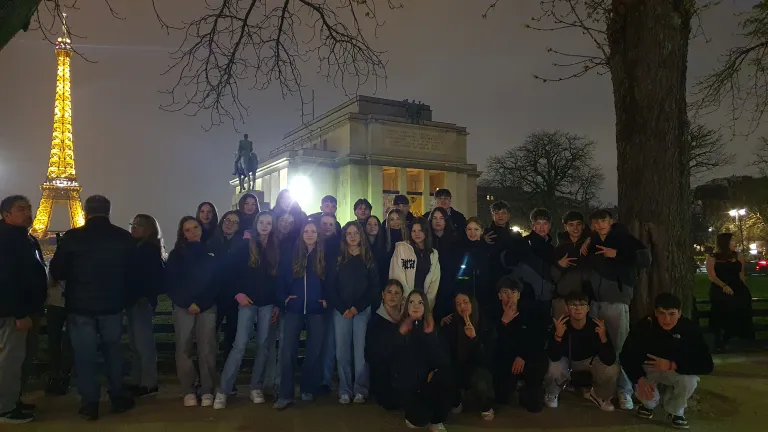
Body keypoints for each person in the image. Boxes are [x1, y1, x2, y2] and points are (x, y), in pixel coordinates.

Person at [49, 195, 136, 420]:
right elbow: (132, 273)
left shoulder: (72, 238)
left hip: (80, 306)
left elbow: (57, 271)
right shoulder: (123, 237)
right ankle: (117, 396)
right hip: (113, 305)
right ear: (109, 210)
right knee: (113, 352)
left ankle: (90, 403)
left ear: (85, 210)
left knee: (85, 356)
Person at [582, 208, 651, 411]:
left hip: (617, 301)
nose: (600, 225)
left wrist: (618, 254)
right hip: (595, 302)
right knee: (597, 347)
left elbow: (645, 259)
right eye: (596, 222)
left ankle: (625, 390)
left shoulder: (624, 239)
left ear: (610, 221)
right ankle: (603, 389)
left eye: (603, 221)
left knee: (620, 348)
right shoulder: (593, 240)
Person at [215, 212, 281, 409]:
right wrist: (237, 294)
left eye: (269, 223)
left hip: (268, 304)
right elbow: (228, 272)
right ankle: (223, 389)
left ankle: (255, 386)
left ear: (272, 226)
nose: (265, 225)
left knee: (263, 346)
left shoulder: (275, 248)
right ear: (256, 224)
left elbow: (278, 279)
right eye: (261, 222)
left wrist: (277, 303)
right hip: (247, 302)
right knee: (240, 345)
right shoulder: (244, 245)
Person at [620, 293, 713, 430]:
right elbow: (626, 355)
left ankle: (676, 410)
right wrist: (639, 379)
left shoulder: (689, 328)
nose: (667, 319)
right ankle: (647, 405)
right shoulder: (644, 326)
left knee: (690, 381)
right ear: (655, 313)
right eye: (662, 313)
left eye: (672, 314)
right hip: (648, 368)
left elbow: (706, 364)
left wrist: (673, 364)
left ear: (679, 313)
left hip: (675, 369)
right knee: (649, 400)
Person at [0, 195, 47, 424]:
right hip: (14, 313)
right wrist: (19, 313)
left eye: (29, 208)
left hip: (26, 310)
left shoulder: (24, 238)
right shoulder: (7, 240)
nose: (28, 212)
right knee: (11, 360)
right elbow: (6, 280)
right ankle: (4, 408)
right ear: (6, 215)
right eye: (20, 209)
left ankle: (12, 400)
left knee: (20, 359)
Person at [166, 216, 221, 408]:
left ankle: (207, 389)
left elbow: (216, 281)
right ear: (182, 233)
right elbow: (172, 283)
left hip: (206, 306)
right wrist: (188, 302)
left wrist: (201, 302)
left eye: (195, 227)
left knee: (207, 349)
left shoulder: (211, 252)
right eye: (188, 229)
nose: (193, 231)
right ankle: (188, 389)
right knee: (184, 349)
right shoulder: (176, 255)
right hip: (184, 306)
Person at [274, 220, 328, 410]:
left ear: (318, 234)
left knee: (314, 351)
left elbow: (331, 280)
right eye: (306, 231)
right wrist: (285, 300)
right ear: (302, 234)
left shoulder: (324, 255)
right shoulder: (292, 254)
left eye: (313, 231)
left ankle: (308, 388)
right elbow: (280, 279)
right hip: (294, 309)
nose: (309, 234)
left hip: (316, 309)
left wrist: (326, 299)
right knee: (288, 351)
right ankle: (285, 394)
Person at [327, 221, 380, 404]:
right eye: (348, 233)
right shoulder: (338, 257)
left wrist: (357, 307)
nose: (352, 236)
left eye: (355, 233)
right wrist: (343, 308)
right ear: (344, 237)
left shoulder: (368, 257)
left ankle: (360, 389)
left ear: (361, 235)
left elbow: (374, 287)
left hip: (362, 311)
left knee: (360, 352)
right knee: (342, 352)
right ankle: (344, 389)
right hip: (341, 311)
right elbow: (330, 286)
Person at [544, 290, 619, 411]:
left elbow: (609, 360)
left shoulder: (596, 326)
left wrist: (603, 338)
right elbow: (553, 356)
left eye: (582, 305)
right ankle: (552, 393)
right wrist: (558, 336)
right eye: (573, 305)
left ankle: (599, 395)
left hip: (590, 362)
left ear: (588, 308)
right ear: (567, 308)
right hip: (567, 361)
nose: (577, 309)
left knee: (612, 369)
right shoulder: (561, 325)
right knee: (553, 366)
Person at [389, 291, 452, 431]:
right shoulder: (399, 327)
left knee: (445, 377)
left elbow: (443, 360)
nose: (415, 306)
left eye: (420, 302)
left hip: (427, 383)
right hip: (408, 385)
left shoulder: (433, 328)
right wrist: (401, 335)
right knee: (420, 419)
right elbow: (392, 357)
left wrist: (429, 337)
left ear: (425, 307)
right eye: (411, 302)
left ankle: (437, 421)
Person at [493, 276, 547, 413]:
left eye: (514, 292)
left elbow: (538, 339)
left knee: (534, 406)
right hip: (504, 359)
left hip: (526, 358)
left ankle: (530, 389)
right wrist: (503, 322)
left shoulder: (531, 311)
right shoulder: (492, 313)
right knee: (501, 399)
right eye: (505, 292)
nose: (510, 296)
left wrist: (522, 356)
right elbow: (492, 343)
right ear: (499, 295)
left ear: (519, 295)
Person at [125, 214, 165, 398]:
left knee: (142, 344)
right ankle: (139, 379)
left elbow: (151, 279)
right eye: (133, 224)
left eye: (139, 225)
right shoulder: (143, 248)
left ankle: (148, 381)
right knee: (137, 343)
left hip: (141, 301)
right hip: (138, 300)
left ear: (148, 229)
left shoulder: (147, 250)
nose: (134, 227)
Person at [439, 293, 495, 421]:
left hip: (479, 368)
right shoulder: (451, 322)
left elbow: (487, 359)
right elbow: (444, 351)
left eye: (465, 302)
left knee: (481, 380)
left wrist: (474, 338)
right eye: (458, 304)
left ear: (472, 303)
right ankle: (456, 400)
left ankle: (486, 406)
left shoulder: (485, 323)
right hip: (458, 366)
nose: (462, 306)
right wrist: (441, 326)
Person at [705, 232, 755, 352]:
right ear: (725, 243)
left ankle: (739, 337)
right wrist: (724, 286)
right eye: (732, 241)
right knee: (725, 304)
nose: (735, 243)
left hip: (737, 287)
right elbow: (712, 276)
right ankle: (722, 338)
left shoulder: (738, 256)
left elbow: (741, 273)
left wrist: (744, 286)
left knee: (742, 303)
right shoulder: (712, 257)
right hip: (720, 287)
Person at [209, 211, 247, 363]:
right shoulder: (212, 242)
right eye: (227, 220)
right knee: (209, 337)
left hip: (234, 297)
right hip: (214, 297)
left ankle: (227, 375)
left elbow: (243, 272)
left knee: (231, 336)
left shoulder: (243, 245)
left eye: (235, 222)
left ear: (239, 227)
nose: (230, 223)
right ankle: (207, 374)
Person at [365, 279, 404, 410]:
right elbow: (372, 354)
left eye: (397, 293)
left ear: (402, 297)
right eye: (389, 292)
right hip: (383, 374)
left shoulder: (406, 319)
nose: (393, 296)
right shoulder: (375, 321)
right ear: (383, 295)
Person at [513, 208, 557, 324]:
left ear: (550, 226)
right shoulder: (522, 244)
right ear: (533, 226)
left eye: (545, 224)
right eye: (538, 223)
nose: (542, 227)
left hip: (546, 299)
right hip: (526, 299)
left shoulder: (552, 249)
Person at [389, 216, 441, 310]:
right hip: (403, 304)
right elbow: (396, 275)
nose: (417, 234)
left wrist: (424, 305)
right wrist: (409, 302)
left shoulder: (433, 254)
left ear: (426, 232)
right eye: (414, 231)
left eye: (420, 230)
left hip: (423, 305)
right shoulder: (401, 248)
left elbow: (434, 283)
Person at [552, 211, 591, 319]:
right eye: (571, 224)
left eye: (578, 224)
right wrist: (559, 265)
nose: (575, 228)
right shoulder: (559, 249)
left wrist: (589, 239)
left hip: (584, 301)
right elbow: (551, 277)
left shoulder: (590, 246)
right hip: (562, 300)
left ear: (583, 226)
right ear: (565, 227)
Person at [429, 207, 460, 322]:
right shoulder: (427, 241)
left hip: (449, 285)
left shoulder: (454, 240)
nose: (438, 221)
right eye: (435, 218)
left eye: (441, 218)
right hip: (430, 285)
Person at [364, 215, 389, 287]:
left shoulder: (384, 246)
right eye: (369, 224)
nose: (372, 226)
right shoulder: (360, 246)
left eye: (375, 224)